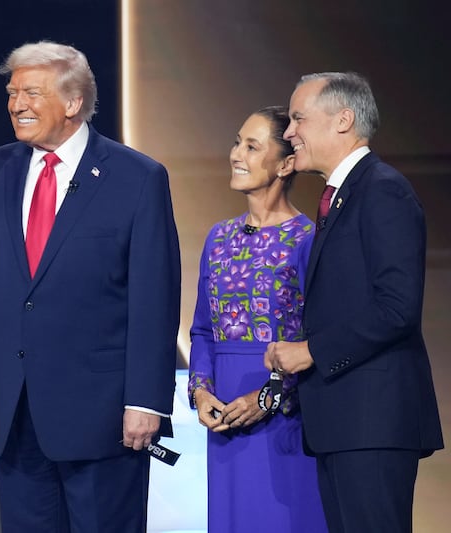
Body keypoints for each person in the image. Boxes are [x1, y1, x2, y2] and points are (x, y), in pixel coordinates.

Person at [0, 41, 181, 532]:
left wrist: (145, 401)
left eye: (31, 93)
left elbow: (154, 300)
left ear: (74, 102)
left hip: (104, 417)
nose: (17, 104)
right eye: (13, 93)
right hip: (13, 412)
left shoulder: (137, 178)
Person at [264, 72, 444, 533]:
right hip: (347, 422)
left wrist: (311, 351)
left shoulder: (382, 190)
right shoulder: (343, 196)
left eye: (298, 118)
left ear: (343, 120)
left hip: (373, 423)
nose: (288, 133)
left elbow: (396, 307)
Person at [188, 106, 326, 532]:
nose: (236, 154)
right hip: (225, 417)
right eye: (236, 142)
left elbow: (318, 339)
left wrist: (266, 398)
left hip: (286, 418)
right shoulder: (219, 236)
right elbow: (203, 330)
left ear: (286, 164)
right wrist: (201, 391)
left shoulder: (308, 240)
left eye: (252, 146)